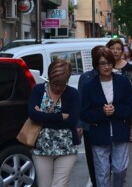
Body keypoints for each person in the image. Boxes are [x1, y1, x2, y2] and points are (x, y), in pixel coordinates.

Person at [81, 48, 132, 187]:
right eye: (102, 63)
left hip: (120, 131)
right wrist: (102, 112)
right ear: (96, 65)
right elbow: (84, 112)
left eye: (109, 63)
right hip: (99, 134)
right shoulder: (89, 86)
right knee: (102, 173)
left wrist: (116, 110)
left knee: (119, 169)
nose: (106, 67)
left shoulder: (123, 82)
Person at [28, 59, 80, 187]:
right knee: (44, 185)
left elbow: (72, 121)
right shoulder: (38, 90)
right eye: (54, 83)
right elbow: (33, 116)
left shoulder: (73, 94)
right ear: (49, 77)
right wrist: (61, 116)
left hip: (67, 149)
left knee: (59, 185)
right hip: (41, 149)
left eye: (61, 84)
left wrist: (44, 117)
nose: (57, 88)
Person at [78, 45, 106, 187]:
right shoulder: (85, 77)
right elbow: (81, 102)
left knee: (107, 159)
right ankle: (95, 182)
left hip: (106, 124)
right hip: (90, 125)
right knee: (91, 158)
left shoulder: (111, 76)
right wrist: (80, 125)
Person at [106, 39, 132, 142]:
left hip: (123, 109)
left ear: (122, 51)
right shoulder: (104, 67)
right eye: (112, 48)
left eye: (118, 49)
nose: (115, 51)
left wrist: (127, 94)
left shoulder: (129, 68)